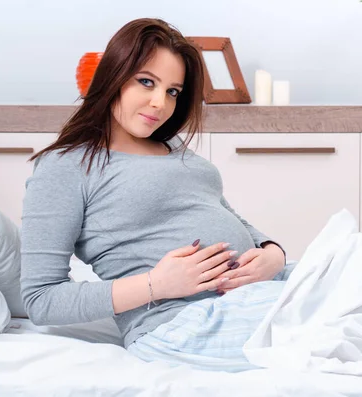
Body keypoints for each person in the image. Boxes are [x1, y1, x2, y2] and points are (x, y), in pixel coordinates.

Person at [20, 18, 287, 371]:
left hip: (257, 293)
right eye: (146, 82)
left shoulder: (171, 146)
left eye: (173, 91)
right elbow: (42, 299)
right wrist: (156, 285)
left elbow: (225, 214)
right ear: (113, 76)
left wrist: (272, 254)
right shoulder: (66, 166)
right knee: (353, 298)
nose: (160, 103)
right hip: (184, 323)